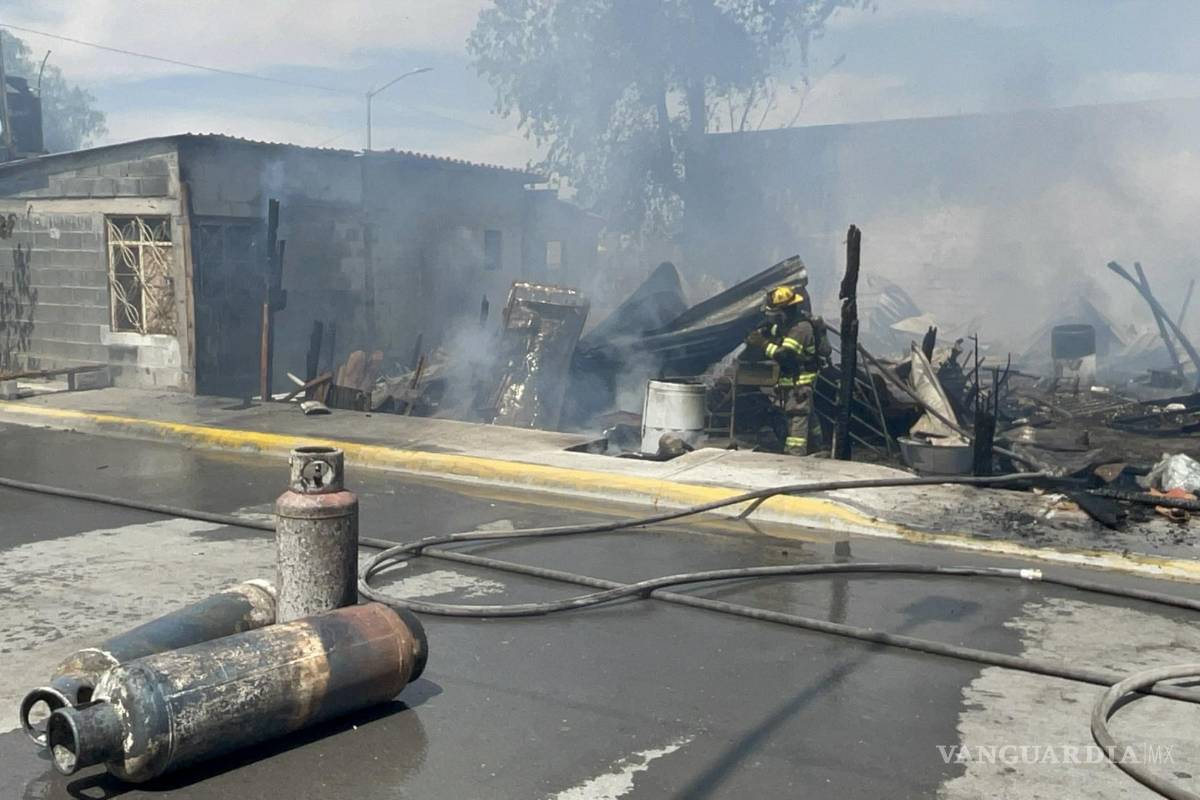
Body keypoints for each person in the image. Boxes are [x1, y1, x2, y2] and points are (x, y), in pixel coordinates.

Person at [745, 285, 828, 455]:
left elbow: (786, 356)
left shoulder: (800, 329)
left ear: (783, 312)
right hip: (794, 381)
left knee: (797, 416)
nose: (772, 318)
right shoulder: (789, 324)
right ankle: (817, 447)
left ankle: (795, 454)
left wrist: (763, 343)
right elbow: (779, 331)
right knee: (807, 415)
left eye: (774, 315)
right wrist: (766, 328)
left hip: (801, 382)